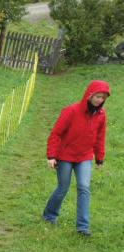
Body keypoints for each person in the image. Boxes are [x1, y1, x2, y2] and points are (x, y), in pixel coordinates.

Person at [42, 80, 110, 236]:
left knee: (84, 187)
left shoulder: (101, 115)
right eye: (98, 96)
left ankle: (83, 227)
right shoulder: (71, 111)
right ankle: (49, 216)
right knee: (63, 188)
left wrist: (99, 158)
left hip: (84, 157)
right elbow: (55, 134)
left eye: (103, 98)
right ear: (90, 95)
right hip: (65, 156)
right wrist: (51, 156)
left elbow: (100, 137)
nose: (100, 100)